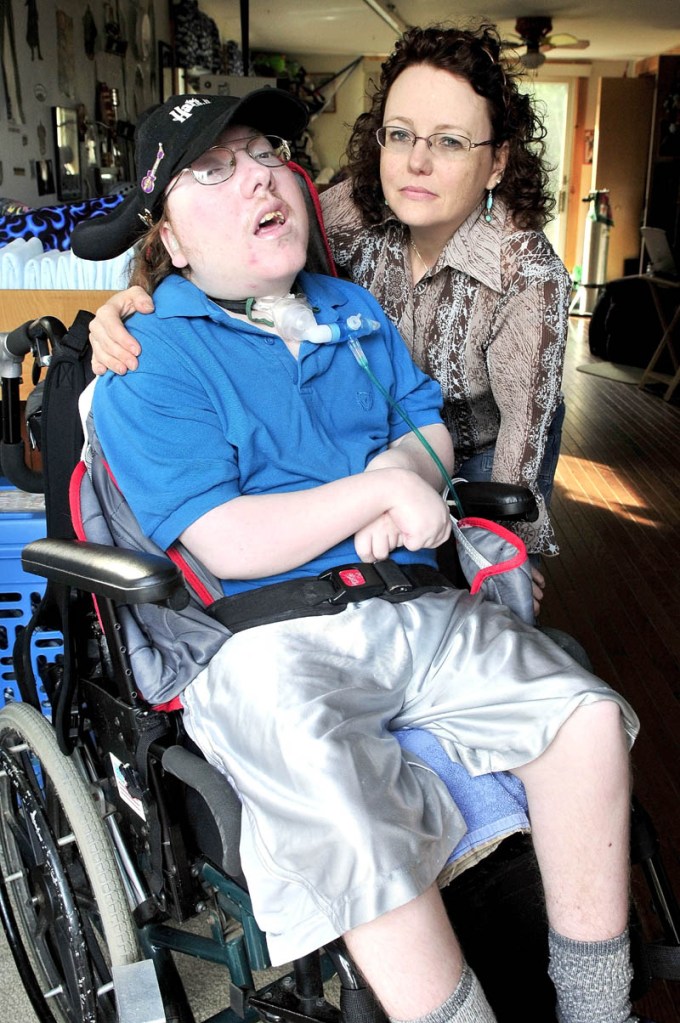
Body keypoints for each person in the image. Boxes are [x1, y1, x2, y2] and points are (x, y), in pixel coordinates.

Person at [73, 87, 643, 1023]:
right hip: (261, 638)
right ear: (169, 239)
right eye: (213, 170)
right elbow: (226, 538)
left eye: (266, 155)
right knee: (350, 815)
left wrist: (402, 463)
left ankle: (597, 1007)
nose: (259, 175)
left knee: (583, 721)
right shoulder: (151, 358)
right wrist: (377, 493)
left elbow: (426, 424)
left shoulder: (346, 306)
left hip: (410, 603)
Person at [85, 23, 568, 595]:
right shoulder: (344, 210)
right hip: (341, 502)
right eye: (400, 134)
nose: (416, 163)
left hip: (473, 455)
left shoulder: (526, 275)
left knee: (505, 594)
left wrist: (502, 547)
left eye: (450, 141)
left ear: (495, 164)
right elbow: (219, 249)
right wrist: (129, 304)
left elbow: (524, 432)